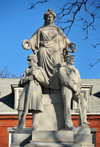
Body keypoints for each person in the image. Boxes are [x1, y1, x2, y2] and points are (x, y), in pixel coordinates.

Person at [22, 9, 76, 92]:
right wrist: (28, 43)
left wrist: (69, 44)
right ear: (45, 18)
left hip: (56, 51)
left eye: (51, 17)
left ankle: (56, 90)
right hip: (43, 51)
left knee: (57, 69)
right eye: (48, 17)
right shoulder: (41, 29)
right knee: (43, 70)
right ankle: (44, 89)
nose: (50, 18)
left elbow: (64, 39)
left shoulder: (57, 29)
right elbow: (33, 39)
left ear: (53, 18)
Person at [13, 54, 49, 130]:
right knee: (21, 107)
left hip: (35, 89)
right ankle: (21, 124)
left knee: (35, 107)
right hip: (26, 89)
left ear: (35, 61)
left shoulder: (40, 70)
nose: (28, 62)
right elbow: (20, 82)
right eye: (28, 60)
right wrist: (28, 78)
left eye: (30, 60)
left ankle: (34, 124)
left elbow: (45, 81)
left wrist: (36, 75)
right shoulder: (27, 70)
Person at [59, 55, 90, 129]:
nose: (73, 60)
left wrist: (78, 89)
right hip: (67, 88)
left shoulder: (76, 70)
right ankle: (68, 124)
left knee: (83, 101)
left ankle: (82, 121)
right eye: (71, 59)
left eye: (73, 59)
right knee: (67, 106)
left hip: (76, 88)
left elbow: (79, 81)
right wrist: (74, 87)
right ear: (67, 60)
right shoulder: (62, 69)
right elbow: (65, 80)